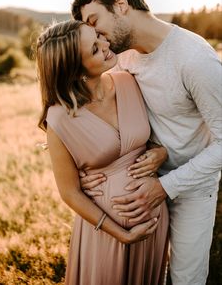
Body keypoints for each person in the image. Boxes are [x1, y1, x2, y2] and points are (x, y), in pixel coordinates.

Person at [71, 0, 222, 285]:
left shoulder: (194, 59)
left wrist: (166, 187)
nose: (96, 35)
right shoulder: (121, 56)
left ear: (122, 5)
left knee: (185, 279)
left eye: (94, 20)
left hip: (190, 188)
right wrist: (87, 165)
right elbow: (104, 108)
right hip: (137, 184)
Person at [36, 20, 169, 285]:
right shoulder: (60, 119)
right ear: (76, 70)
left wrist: (161, 152)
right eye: (95, 49)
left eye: (98, 37)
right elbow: (70, 192)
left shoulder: (128, 82)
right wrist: (122, 234)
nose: (107, 45)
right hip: (106, 234)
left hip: (154, 219)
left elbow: (156, 136)